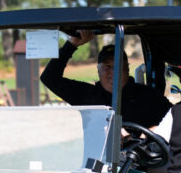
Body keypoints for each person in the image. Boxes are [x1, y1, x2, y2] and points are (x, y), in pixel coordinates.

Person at [40, 30, 171, 128]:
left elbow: (174, 120)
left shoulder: (148, 96)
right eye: (107, 67)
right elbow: (49, 78)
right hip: (99, 157)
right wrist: (71, 45)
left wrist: (149, 133)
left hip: (139, 156)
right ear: (98, 70)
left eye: (118, 66)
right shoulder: (88, 95)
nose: (113, 72)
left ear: (127, 68)